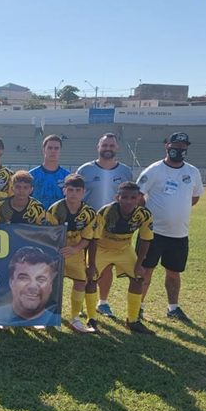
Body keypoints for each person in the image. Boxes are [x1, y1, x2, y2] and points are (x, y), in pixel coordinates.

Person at [137, 132, 204, 322]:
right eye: (176, 145)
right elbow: (139, 195)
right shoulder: (154, 170)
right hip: (152, 232)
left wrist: (175, 210)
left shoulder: (192, 172)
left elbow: (195, 197)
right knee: (145, 270)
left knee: (174, 272)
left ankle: (173, 308)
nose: (179, 149)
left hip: (179, 233)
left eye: (183, 146)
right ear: (167, 146)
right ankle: (138, 306)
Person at [76, 133, 134, 318]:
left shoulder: (125, 171)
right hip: (88, 226)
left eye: (111, 145)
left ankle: (103, 302)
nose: (108, 148)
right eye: (105, 145)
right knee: (86, 266)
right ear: (98, 147)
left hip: (113, 228)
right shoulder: (85, 169)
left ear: (117, 148)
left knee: (106, 266)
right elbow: (77, 195)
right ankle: (86, 303)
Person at [94, 181, 155, 334]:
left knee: (138, 278)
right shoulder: (106, 212)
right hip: (102, 248)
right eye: (125, 197)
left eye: (133, 198)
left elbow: (146, 240)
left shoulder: (144, 214)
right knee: (89, 278)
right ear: (117, 197)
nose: (129, 201)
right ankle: (90, 318)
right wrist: (91, 262)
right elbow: (94, 238)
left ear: (139, 198)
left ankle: (133, 320)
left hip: (123, 249)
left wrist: (139, 264)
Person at [45, 174, 99, 333]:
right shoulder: (55, 209)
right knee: (51, 282)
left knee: (80, 282)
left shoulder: (89, 213)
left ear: (83, 192)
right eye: (70, 190)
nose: (73, 193)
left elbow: (87, 238)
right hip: (55, 251)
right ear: (64, 191)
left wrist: (75, 249)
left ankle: (74, 317)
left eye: (77, 190)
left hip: (75, 251)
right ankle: (49, 315)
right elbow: (49, 235)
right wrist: (58, 249)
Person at [0, 246, 60, 327]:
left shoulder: (53, 319)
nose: (32, 286)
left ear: (51, 285)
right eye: (24, 278)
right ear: (11, 281)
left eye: (41, 280)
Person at [30, 134, 70, 209]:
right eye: (50, 148)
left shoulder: (67, 177)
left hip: (59, 219)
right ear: (43, 150)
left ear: (60, 151)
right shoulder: (32, 175)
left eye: (56, 148)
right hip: (36, 219)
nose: (53, 151)